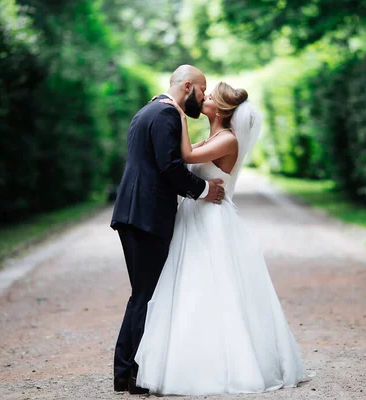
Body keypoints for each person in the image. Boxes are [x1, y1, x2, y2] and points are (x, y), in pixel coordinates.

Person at [134, 81, 307, 395]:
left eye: (210, 97)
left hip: (211, 220)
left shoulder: (227, 139)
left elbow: (185, 155)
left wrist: (178, 114)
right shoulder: (214, 137)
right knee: (191, 286)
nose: (204, 97)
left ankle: (230, 366)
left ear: (222, 110)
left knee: (213, 287)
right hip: (195, 215)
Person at [110, 65, 226, 394]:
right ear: (187, 86)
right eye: (202, 90)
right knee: (146, 295)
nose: (203, 97)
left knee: (143, 294)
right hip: (146, 216)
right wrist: (205, 190)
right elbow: (169, 166)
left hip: (135, 213)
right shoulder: (167, 115)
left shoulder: (147, 110)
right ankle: (130, 372)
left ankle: (128, 372)